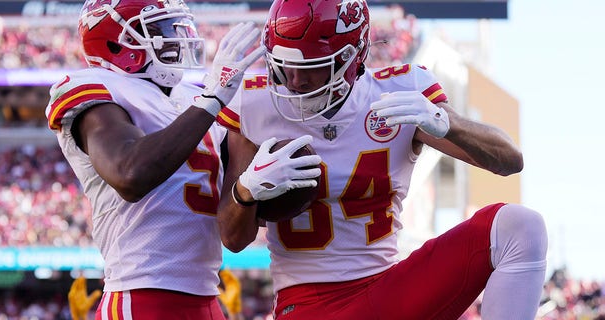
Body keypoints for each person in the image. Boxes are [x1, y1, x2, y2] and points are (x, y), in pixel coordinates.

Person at [215, 0, 548, 319]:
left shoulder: (400, 91)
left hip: (388, 290)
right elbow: (233, 239)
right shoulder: (254, 103)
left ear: (353, 57)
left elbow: (509, 161)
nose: (295, 81)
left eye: (312, 68)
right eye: (284, 66)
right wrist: (245, 192)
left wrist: (448, 124)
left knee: (521, 227)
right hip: (308, 304)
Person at [45, 0, 320, 319]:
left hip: (206, 295)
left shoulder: (193, 98)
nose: (177, 38)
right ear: (115, 41)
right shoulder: (97, 88)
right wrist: (212, 99)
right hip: (142, 293)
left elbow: (236, 236)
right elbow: (129, 174)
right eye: (161, 30)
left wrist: (251, 190)